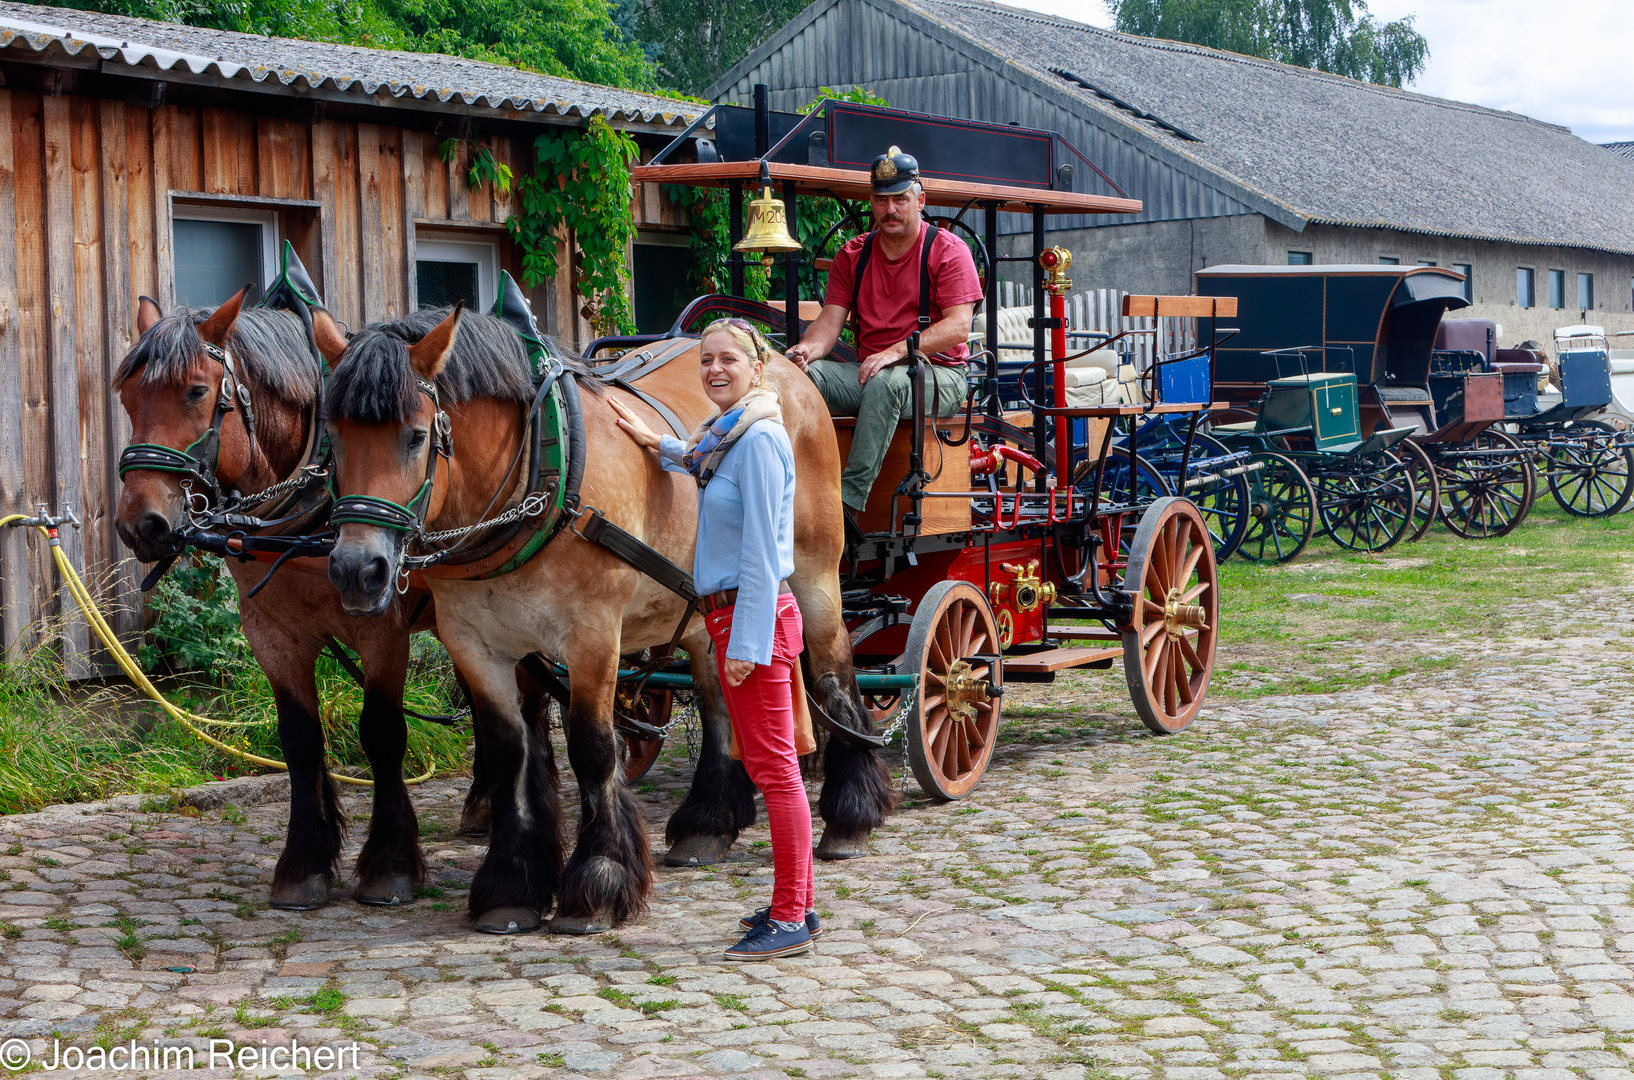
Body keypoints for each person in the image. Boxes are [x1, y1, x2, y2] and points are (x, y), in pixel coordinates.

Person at [609, 318, 818, 961]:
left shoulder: (757, 442)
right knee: (767, 765)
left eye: (728, 359)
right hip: (732, 617)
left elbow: (761, 555)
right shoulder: (726, 435)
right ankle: (795, 901)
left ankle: (791, 915)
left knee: (775, 771)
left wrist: (747, 648)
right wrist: (655, 442)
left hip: (751, 619)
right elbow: (698, 458)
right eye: (706, 361)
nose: (715, 370)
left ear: (757, 369)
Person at [784, 146, 983, 518]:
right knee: (795, 378)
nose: (890, 209)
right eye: (881, 199)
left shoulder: (948, 250)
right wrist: (806, 351)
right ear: (870, 201)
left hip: (940, 375)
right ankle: (785, 491)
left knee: (885, 383)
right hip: (869, 371)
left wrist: (896, 351)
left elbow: (958, 327)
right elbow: (829, 321)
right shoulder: (852, 256)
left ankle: (843, 509)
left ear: (920, 199)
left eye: (900, 199)